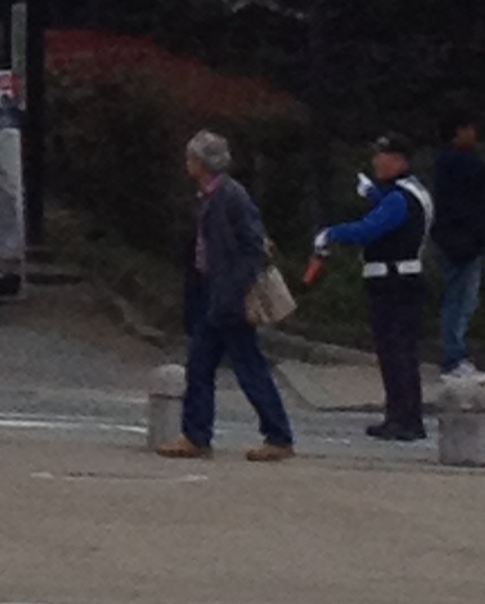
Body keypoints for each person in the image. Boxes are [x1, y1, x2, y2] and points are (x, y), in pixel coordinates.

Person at [157, 128, 295, 460]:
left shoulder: (231, 197)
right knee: (200, 365)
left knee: (248, 365)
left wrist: (235, 288)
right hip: (211, 291)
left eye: (191, 158)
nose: (187, 163)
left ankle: (277, 435)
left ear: (200, 163)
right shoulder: (209, 197)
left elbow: (252, 245)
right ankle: (196, 434)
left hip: (228, 294)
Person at [307, 133, 436, 441]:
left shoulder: (399, 198)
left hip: (393, 280)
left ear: (400, 160)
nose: (377, 160)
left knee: (396, 351)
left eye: (384, 155)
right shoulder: (408, 192)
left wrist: (331, 234)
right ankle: (401, 416)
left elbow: (370, 229)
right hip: (400, 278)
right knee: (396, 350)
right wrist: (374, 195)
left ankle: (405, 419)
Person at [435, 107, 484, 376]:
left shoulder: (444, 161)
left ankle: (454, 353)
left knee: (458, 297)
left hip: (451, 240)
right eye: (469, 128)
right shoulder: (464, 163)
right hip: (464, 242)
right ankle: (454, 357)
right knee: (461, 299)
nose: (474, 134)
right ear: (458, 132)